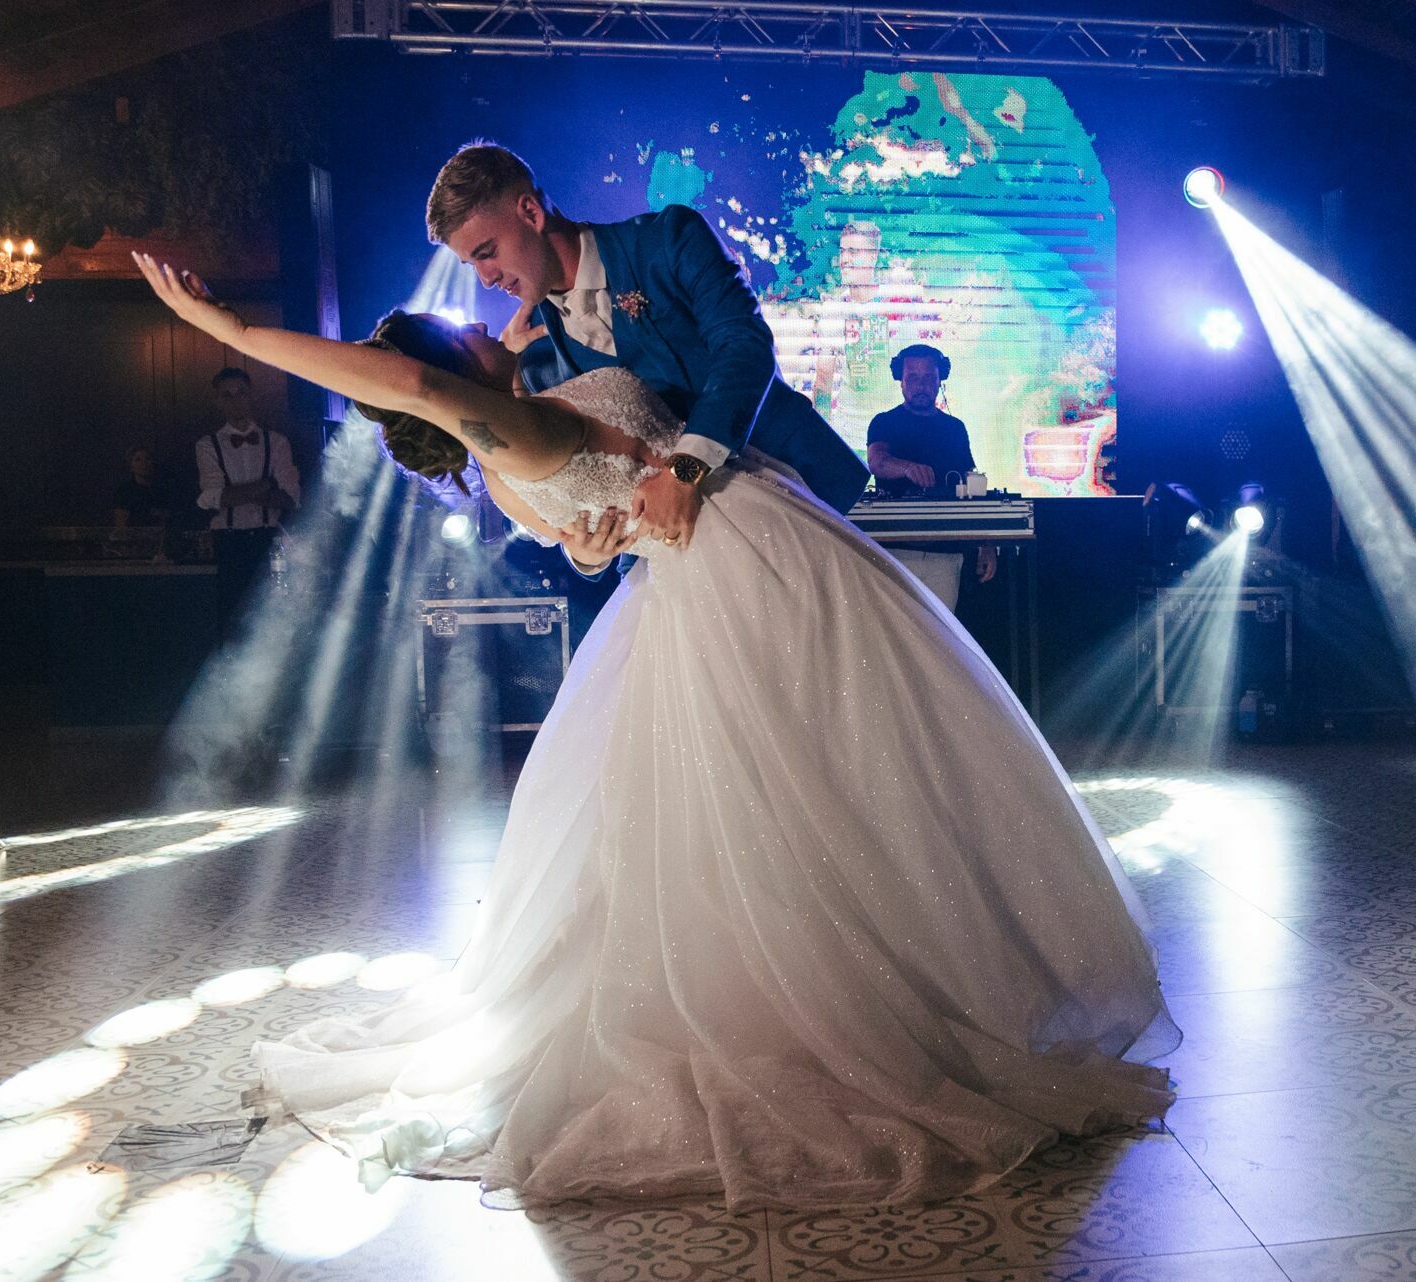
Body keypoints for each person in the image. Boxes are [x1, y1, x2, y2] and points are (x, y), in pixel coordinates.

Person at [134, 252, 1175, 1210]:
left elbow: (589, 531)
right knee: (824, 770)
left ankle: (887, 971)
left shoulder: (509, 441)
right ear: (441, 368)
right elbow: (414, 384)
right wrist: (225, 326)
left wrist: (595, 537)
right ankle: (845, 1000)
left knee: (803, 779)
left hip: (709, 569)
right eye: (457, 327)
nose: (482, 313)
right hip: (743, 561)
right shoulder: (506, 425)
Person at [429, 142, 870, 574]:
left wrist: (684, 471)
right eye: (472, 265)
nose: (486, 279)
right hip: (689, 563)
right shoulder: (534, 357)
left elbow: (745, 348)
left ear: (531, 212)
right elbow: (577, 489)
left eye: (487, 253)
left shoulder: (669, 238)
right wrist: (587, 552)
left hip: (803, 494)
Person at [865, 344, 998, 610]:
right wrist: (906, 468)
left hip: (946, 555)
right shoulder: (884, 422)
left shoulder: (955, 428)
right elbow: (877, 462)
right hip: (895, 551)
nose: (921, 384)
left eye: (928, 378)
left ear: (940, 380)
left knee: (939, 639)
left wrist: (987, 541)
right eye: (913, 377)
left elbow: (971, 483)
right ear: (900, 381)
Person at [195, 368, 301, 530]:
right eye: (227, 395)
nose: (235, 400)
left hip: (269, 537)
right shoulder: (207, 445)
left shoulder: (277, 442)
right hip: (225, 538)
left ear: (251, 395)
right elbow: (212, 498)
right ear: (218, 401)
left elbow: (290, 498)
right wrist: (270, 483)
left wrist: (235, 494)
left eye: (241, 393)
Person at [111, 445, 186, 528]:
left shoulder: (163, 489)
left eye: (147, 458)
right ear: (131, 466)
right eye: (138, 460)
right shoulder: (125, 491)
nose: (144, 463)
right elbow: (121, 524)